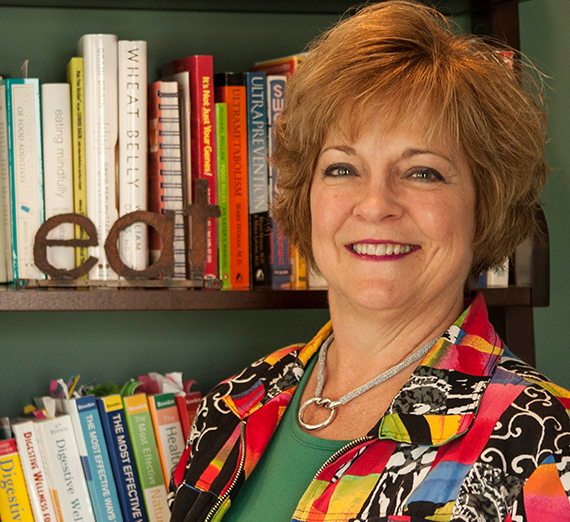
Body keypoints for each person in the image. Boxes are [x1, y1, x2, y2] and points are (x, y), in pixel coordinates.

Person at [168, 1, 570, 520]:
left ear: (483, 204)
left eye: (423, 172)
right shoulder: (238, 402)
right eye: (342, 168)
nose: (376, 204)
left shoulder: (544, 446)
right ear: (305, 195)